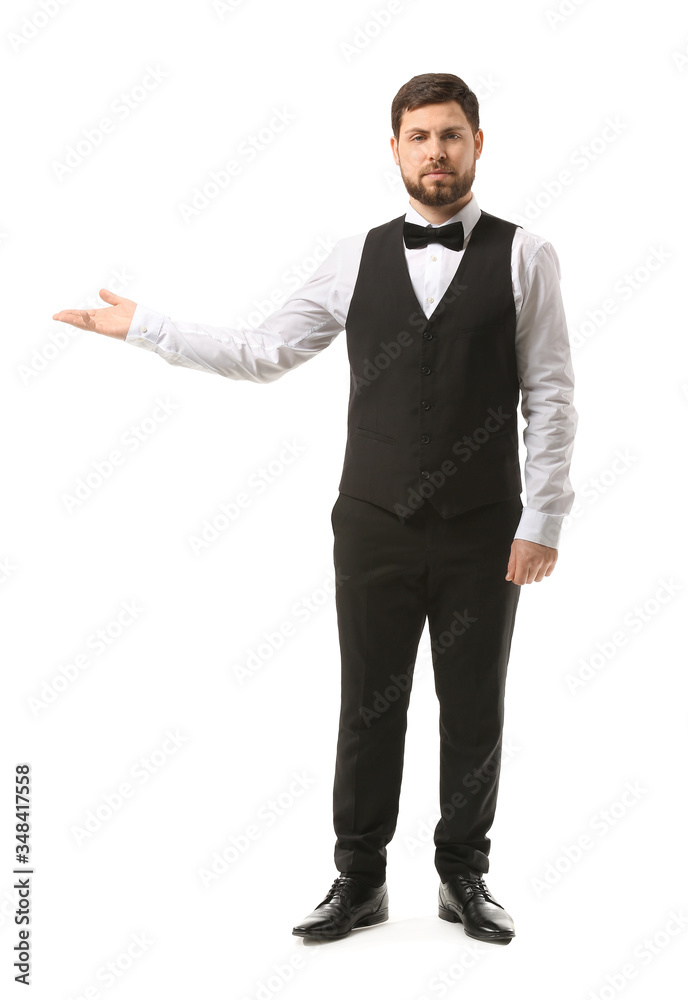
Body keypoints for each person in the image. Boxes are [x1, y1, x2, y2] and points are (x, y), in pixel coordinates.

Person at [53, 72, 577, 946]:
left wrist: (543, 519)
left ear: (478, 144)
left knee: (474, 702)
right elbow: (264, 353)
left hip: (486, 528)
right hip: (370, 520)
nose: (436, 152)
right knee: (369, 700)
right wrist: (146, 326)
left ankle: (462, 876)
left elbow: (552, 394)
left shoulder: (528, 256)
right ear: (396, 148)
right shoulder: (353, 257)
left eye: (451, 135)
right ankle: (359, 880)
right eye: (419, 136)